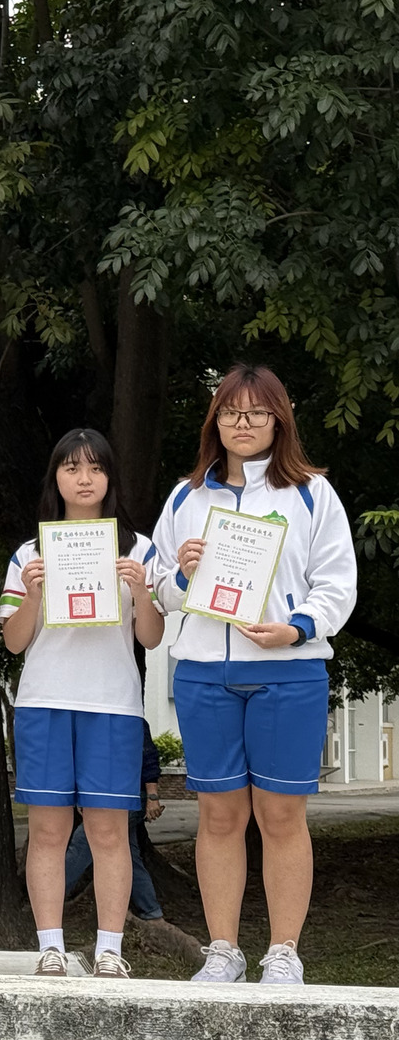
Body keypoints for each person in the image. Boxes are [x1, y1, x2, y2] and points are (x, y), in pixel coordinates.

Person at [152, 363, 356, 985]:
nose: (244, 424)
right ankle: (223, 951)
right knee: (218, 816)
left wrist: (296, 627)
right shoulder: (188, 496)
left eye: (257, 413)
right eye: (232, 413)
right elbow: (158, 591)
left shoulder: (313, 492)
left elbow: (337, 584)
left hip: (289, 672)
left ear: (278, 420)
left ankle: (284, 952)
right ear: (216, 420)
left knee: (282, 816)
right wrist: (182, 576)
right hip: (204, 672)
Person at [0, 429, 165, 978]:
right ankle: (50, 946)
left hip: (113, 704)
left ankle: (109, 951)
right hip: (44, 701)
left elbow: (151, 637)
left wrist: (141, 590)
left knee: (109, 831)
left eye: (95, 468)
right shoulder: (30, 553)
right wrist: (35, 591)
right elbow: (14, 641)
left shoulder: (139, 549)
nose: (84, 478)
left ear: (110, 478)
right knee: (47, 830)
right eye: (72, 468)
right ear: (56, 479)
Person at [65, 720, 166, 922]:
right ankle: (152, 912)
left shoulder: (133, 720)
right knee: (129, 854)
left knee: (81, 846)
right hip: (100, 798)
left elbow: (148, 757)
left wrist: (152, 797)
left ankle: (46, 903)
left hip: (130, 797)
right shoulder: (89, 720)